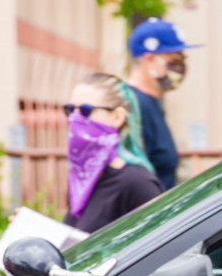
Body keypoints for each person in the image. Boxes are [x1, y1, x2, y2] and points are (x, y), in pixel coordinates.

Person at [62, 73, 163, 233]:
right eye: (69, 109)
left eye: (85, 110)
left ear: (118, 117)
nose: (75, 118)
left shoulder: (138, 183)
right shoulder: (82, 180)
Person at [126, 18, 201, 191]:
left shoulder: (151, 103)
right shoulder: (133, 105)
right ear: (149, 60)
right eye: (173, 60)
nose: (180, 68)